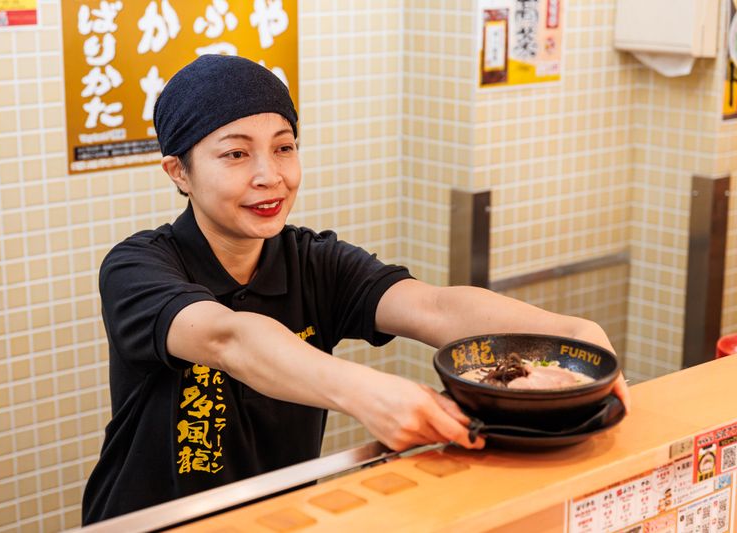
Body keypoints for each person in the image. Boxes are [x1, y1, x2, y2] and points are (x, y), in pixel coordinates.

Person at [81, 54, 631, 524]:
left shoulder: (314, 261)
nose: (270, 175)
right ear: (179, 171)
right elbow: (229, 338)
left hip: (279, 519)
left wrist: (568, 333)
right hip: (153, 522)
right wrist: (367, 393)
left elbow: (433, 305)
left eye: (284, 147)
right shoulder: (137, 268)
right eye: (235, 153)